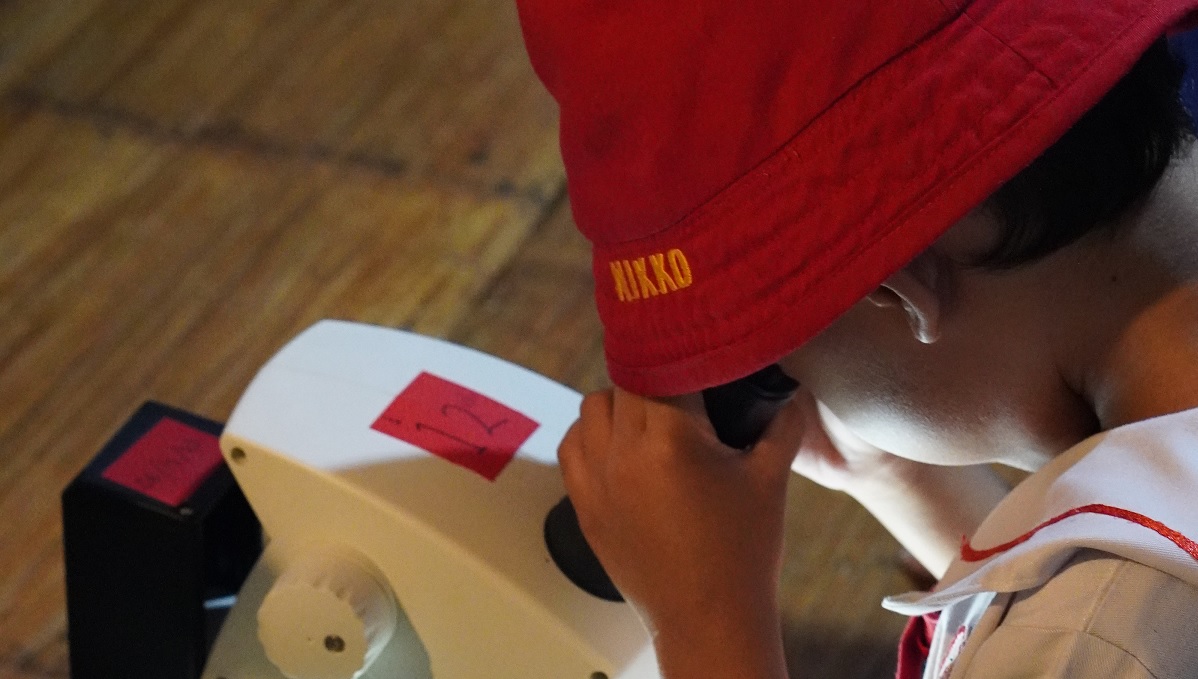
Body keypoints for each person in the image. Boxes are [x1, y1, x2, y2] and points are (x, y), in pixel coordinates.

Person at [515, 0, 1198, 677]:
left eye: (788, 356)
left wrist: (706, 622)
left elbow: (1085, 637)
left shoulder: (1093, 638)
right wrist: (898, 476)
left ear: (898, 293)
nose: (792, 379)